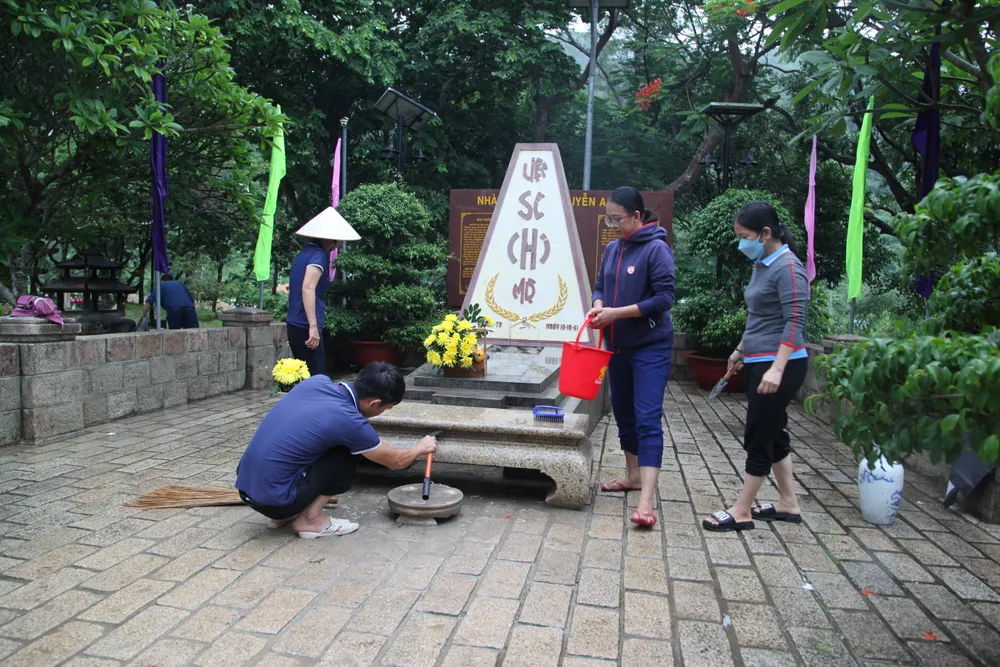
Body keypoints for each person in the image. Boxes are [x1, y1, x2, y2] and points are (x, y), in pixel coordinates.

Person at [235, 361, 437, 538]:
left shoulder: (316, 382)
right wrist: (421, 447)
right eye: (385, 408)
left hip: (246, 489)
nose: (383, 412)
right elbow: (395, 462)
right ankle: (310, 520)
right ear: (375, 403)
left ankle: (285, 515)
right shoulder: (349, 421)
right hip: (275, 502)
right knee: (347, 451)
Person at [703, 201, 810, 532]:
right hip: (758, 359)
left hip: (782, 364)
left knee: (758, 433)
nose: (741, 243)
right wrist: (739, 350)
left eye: (745, 236)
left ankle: (742, 509)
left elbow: (795, 321)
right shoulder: (763, 263)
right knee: (774, 432)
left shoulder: (789, 267)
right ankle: (788, 504)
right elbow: (759, 318)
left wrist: (777, 369)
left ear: (766, 233)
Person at [588, 186, 676, 529]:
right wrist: (598, 307)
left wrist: (617, 314)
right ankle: (632, 475)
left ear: (637, 216)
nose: (611, 224)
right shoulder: (612, 249)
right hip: (617, 347)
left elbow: (664, 298)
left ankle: (646, 500)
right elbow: (600, 286)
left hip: (650, 346)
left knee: (647, 417)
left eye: (616, 218)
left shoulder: (656, 249)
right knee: (624, 414)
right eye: (608, 217)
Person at [286, 206, 360, 377]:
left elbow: (294, 290)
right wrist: (313, 327)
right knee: (316, 378)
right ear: (333, 239)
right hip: (305, 325)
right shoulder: (319, 256)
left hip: (294, 322)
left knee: (303, 377)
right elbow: (307, 288)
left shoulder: (303, 253)